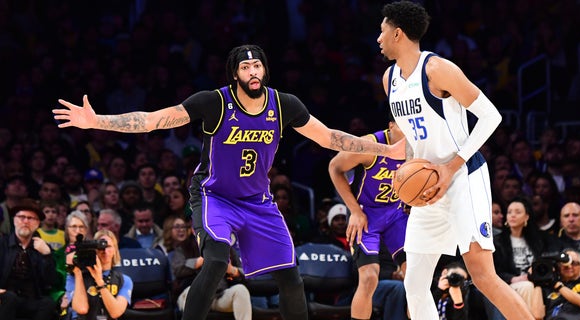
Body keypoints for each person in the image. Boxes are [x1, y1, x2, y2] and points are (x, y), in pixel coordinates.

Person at [54, 44, 403, 320]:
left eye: (258, 66)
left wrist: (385, 148)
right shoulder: (214, 102)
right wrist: (97, 121)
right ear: (235, 73)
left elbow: (329, 138)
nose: (253, 72)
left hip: (258, 201)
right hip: (214, 195)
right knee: (218, 259)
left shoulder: (284, 105)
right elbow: (153, 121)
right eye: (245, 67)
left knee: (290, 275)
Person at [376, 1, 533, 319]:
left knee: (483, 276)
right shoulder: (389, 78)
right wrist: (405, 172)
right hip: (427, 186)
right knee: (415, 283)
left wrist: (450, 167)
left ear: (397, 34)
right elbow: (411, 135)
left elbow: (491, 116)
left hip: (463, 177)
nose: (378, 39)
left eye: (381, 32)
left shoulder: (437, 70)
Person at [328, 118, 408, 320]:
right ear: (391, 126)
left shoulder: (419, 146)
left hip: (396, 213)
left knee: (416, 278)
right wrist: (354, 211)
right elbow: (334, 167)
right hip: (365, 214)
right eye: (403, 126)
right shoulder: (369, 145)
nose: (409, 132)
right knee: (369, 277)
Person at [0, 198, 57, 320]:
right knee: (9, 298)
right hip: (5, 297)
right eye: (21, 217)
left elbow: (50, 281)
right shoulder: (2, 244)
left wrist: (47, 255)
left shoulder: (43, 247)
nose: (25, 221)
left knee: (48, 303)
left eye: (31, 218)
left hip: (31, 300)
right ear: (14, 220)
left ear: (37, 224)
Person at [65, 229, 133, 319]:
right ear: (93, 250)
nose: (104, 250)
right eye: (100, 247)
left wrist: (99, 281)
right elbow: (81, 309)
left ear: (115, 250)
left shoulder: (124, 280)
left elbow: (116, 313)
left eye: (108, 246)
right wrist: (77, 272)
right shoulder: (74, 277)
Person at [541, 249, 580, 320]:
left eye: (573, 263)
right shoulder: (547, 287)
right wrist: (536, 281)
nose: (569, 266)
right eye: (564, 262)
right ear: (558, 266)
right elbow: (537, 316)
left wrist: (558, 286)